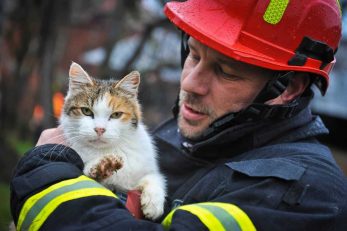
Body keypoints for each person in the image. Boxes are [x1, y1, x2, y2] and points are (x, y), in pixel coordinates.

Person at [10, 0, 347, 230]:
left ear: (288, 88)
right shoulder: (190, 135)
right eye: (193, 55)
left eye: (226, 72)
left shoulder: (304, 194)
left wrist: (47, 178)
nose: (190, 82)